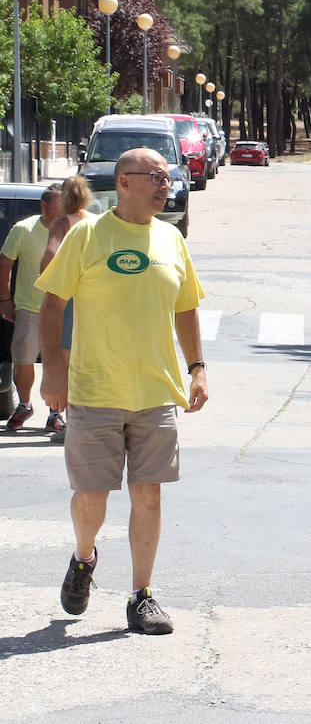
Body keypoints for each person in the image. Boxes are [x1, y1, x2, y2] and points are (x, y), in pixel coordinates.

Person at [36, 148, 208, 635]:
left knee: (148, 495)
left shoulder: (172, 238)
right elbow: (53, 303)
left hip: (155, 392)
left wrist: (197, 368)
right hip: (94, 390)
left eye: (168, 177)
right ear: (125, 182)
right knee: (91, 498)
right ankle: (84, 557)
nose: (166, 185)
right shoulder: (87, 234)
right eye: (156, 177)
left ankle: (142, 596)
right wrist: (53, 371)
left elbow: (186, 307)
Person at [0, 184, 66, 432]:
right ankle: (25, 404)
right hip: (29, 307)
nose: (62, 211)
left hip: (63, 309)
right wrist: (5, 299)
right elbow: (5, 263)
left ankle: (56, 412)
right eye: (58, 205)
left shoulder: (73, 230)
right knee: (23, 359)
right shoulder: (23, 229)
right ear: (44, 206)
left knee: (57, 362)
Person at [39, 176, 97, 444]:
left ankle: (73, 425)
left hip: (67, 298)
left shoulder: (61, 223)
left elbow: (51, 255)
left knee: (67, 363)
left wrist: (48, 278)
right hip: (92, 300)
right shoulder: (95, 221)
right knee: (86, 361)